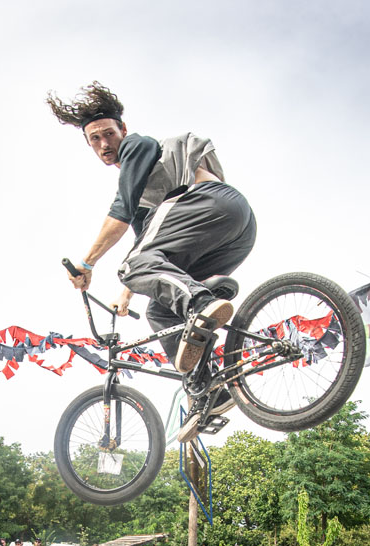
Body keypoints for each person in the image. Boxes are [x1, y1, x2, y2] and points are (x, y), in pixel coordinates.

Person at [47, 82, 257, 440]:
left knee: (133, 269)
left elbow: (122, 214)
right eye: (94, 140)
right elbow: (145, 248)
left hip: (211, 203)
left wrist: (88, 263)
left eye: (108, 134)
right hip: (236, 231)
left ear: (122, 131)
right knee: (159, 311)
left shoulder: (138, 146)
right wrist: (126, 297)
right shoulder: (153, 197)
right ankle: (210, 390)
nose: (104, 145)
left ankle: (202, 300)